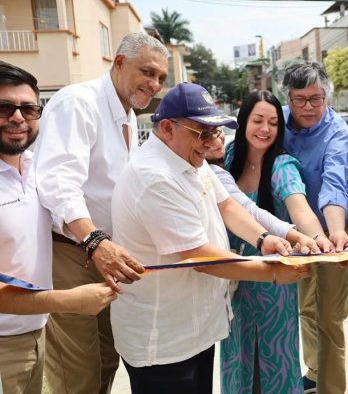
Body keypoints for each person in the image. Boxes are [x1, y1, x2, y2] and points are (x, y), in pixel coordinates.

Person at [110, 82, 309, 394]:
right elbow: (200, 257)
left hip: (195, 330)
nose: (211, 143)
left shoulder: (190, 159)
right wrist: (271, 271)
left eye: (215, 132)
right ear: (167, 128)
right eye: (202, 133)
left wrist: (262, 240)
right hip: (164, 342)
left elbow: (228, 205)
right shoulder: (155, 178)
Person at [33, 32, 169, 394]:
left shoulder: (127, 115)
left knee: (107, 358)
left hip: (106, 253)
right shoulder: (79, 103)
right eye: (147, 72)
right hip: (73, 251)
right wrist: (95, 241)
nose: (154, 84)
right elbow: (58, 182)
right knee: (77, 372)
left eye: (161, 78)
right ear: (119, 64)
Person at [0, 61, 116, 394]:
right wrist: (66, 301)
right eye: (5, 107)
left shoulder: (36, 170)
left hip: (35, 335)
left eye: (28, 108)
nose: (18, 117)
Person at [221, 90, 334, 393]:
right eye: (257, 120)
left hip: (275, 287)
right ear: (243, 121)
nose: (265, 129)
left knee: (275, 366)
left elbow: (300, 209)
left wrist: (319, 239)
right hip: (233, 281)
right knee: (237, 361)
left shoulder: (283, 166)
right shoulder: (228, 158)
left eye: (273, 122)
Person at [281, 62, 348, 394]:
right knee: (304, 308)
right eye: (300, 100)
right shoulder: (277, 121)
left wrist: (336, 232)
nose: (309, 107)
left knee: (329, 317)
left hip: (337, 228)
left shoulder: (337, 130)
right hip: (296, 233)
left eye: (317, 99)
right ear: (288, 97)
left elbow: (334, 183)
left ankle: (331, 388)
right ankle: (314, 371)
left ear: (326, 96)